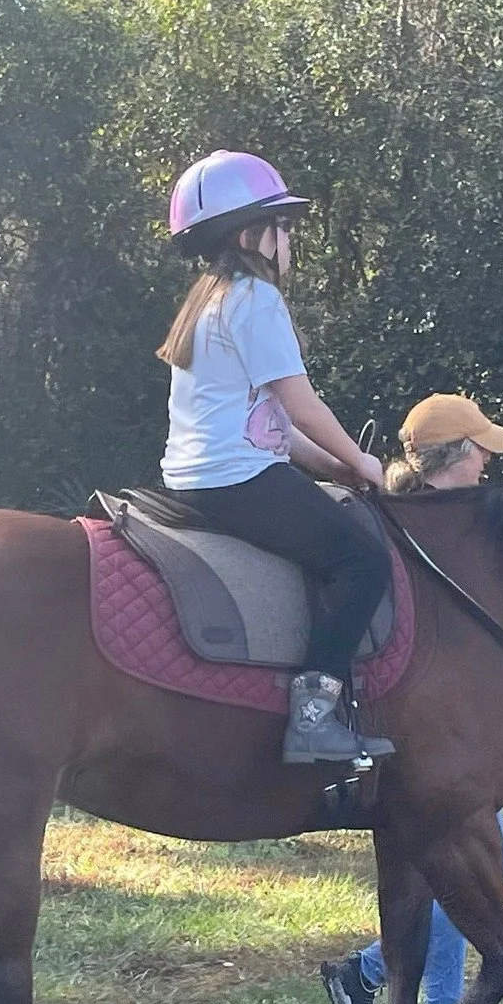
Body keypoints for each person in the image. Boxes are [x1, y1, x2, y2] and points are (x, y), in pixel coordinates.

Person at [158, 149, 393, 764]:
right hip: (236, 478)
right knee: (363, 561)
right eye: (281, 225)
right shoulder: (256, 300)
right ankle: (314, 720)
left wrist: (336, 467)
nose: (288, 238)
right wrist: (364, 461)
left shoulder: (208, 301)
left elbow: (273, 426)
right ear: (249, 235)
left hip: (198, 476)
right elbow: (302, 405)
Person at [319, 393, 503, 1004]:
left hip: (445, 724)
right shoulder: (424, 533)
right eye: (481, 448)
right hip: (426, 729)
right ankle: (391, 986)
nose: (488, 461)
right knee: (466, 871)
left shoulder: (433, 524)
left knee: (470, 869)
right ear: (456, 454)